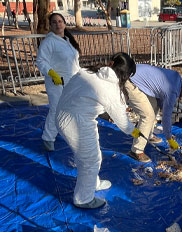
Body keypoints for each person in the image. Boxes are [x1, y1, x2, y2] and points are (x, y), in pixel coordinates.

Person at [56, 53, 138, 209]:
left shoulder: (89, 71)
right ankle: (83, 198)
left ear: (111, 63)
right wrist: (134, 132)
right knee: (91, 160)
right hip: (76, 122)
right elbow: (123, 122)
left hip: (66, 114)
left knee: (90, 155)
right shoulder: (112, 90)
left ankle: (93, 183)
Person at [126, 64, 182, 163]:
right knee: (148, 116)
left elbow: (160, 101)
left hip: (138, 77)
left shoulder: (177, 78)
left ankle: (148, 135)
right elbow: (166, 116)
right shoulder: (172, 91)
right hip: (130, 80)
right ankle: (136, 151)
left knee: (154, 107)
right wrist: (169, 138)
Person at [36, 13, 81, 152]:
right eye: (54, 22)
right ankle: (48, 138)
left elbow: (74, 62)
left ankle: (67, 132)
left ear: (64, 23)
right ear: (50, 25)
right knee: (56, 109)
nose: (58, 24)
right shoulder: (49, 41)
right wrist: (52, 73)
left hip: (71, 81)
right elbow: (41, 61)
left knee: (71, 108)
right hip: (56, 82)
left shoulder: (68, 40)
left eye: (60, 21)